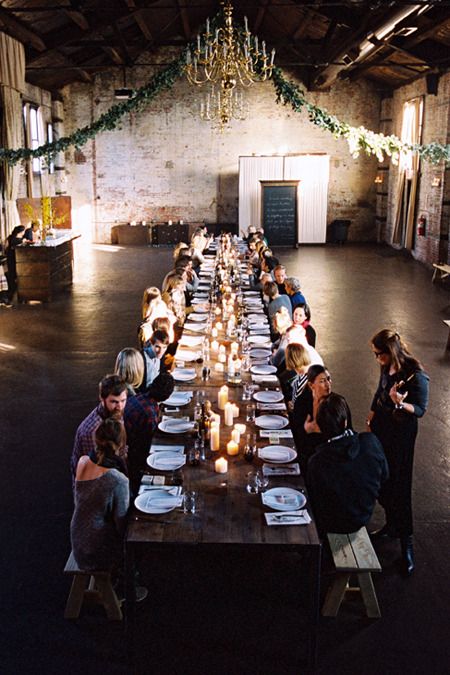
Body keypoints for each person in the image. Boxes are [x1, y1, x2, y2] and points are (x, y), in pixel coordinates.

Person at [367, 329, 429, 576]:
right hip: (383, 426)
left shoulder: (415, 374)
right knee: (383, 478)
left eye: (378, 354)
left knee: (400, 485)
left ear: (389, 352)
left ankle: (406, 543)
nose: (376, 359)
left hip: (401, 434)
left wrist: (400, 403)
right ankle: (392, 524)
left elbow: (421, 409)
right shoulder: (386, 366)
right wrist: (373, 412)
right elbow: (379, 390)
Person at [307, 393, 388, 537]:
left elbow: (316, 502)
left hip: (332, 523)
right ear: (344, 422)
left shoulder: (317, 461)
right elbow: (385, 476)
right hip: (363, 516)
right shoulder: (370, 442)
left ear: (319, 426)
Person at [71, 418, 130, 571]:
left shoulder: (82, 462)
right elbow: (122, 525)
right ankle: (128, 589)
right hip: (96, 552)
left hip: (78, 542)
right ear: (121, 444)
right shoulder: (117, 480)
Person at [71, 375, 128, 486]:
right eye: (114, 402)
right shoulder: (92, 431)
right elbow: (95, 472)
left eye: (123, 400)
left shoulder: (113, 413)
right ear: (102, 399)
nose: (120, 406)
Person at [124, 371, 174, 494]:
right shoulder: (150, 412)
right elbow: (149, 441)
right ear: (167, 396)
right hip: (130, 453)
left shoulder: (141, 396)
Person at [291, 365, 333, 475]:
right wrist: (306, 429)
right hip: (307, 452)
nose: (328, 384)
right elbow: (295, 434)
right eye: (322, 381)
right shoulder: (302, 402)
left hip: (331, 452)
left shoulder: (336, 403)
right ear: (311, 385)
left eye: (328, 379)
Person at [5, 225, 25, 302]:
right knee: (13, 274)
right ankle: (12, 292)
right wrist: (22, 241)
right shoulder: (14, 239)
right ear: (20, 231)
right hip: (12, 258)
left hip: (12, 258)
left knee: (13, 274)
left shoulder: (12, 237)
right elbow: (14, 242)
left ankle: (13, 292)